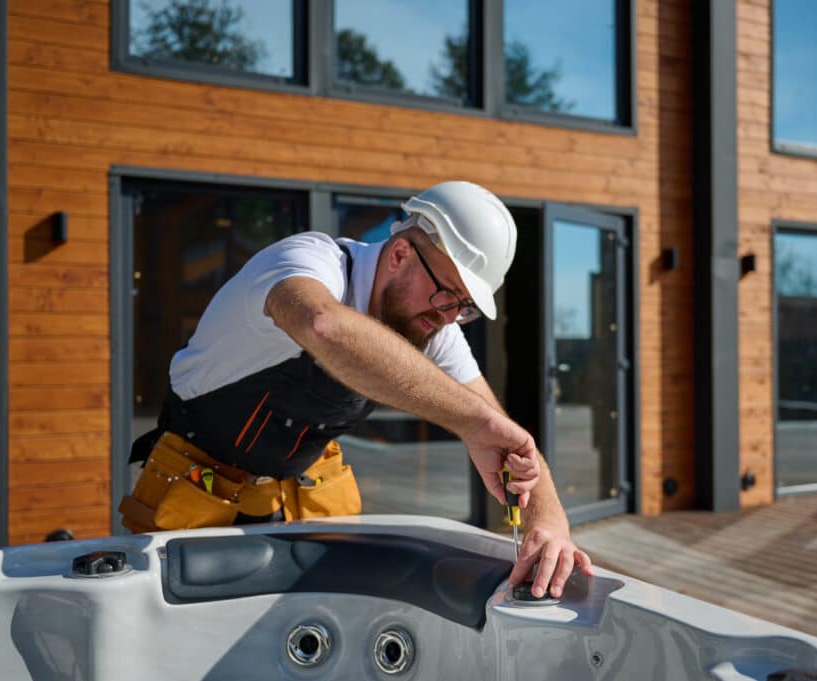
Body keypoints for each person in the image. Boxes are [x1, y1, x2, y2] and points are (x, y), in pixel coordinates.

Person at [120, 180, 591, 598]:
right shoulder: (309, 261)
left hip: (297, 500)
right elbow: (322, 325)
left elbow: (500, 429)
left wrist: (549, 522)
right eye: (448, 294)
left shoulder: (432, 323)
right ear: (402, 253)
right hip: (195, 495)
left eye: (464, 308)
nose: (449, 317)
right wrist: (469, 421)